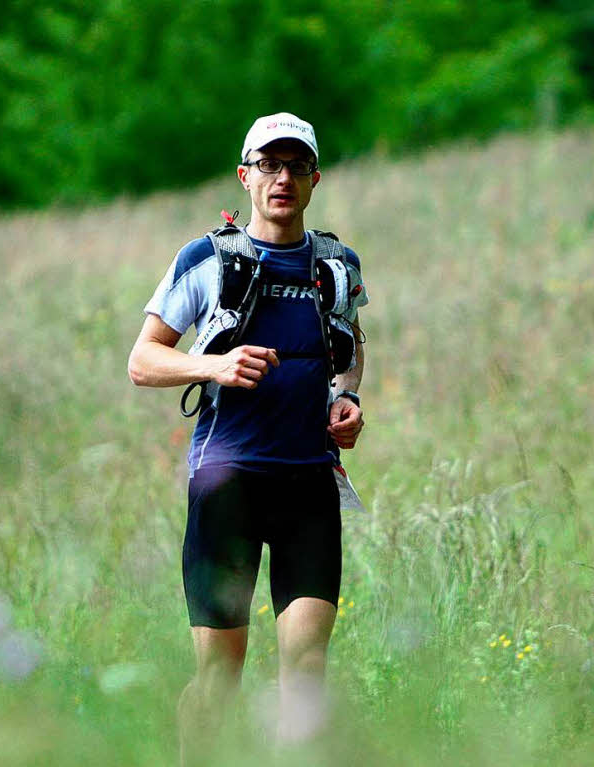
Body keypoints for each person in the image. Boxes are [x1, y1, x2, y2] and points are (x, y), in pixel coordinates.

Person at [127, 112, 368, 763]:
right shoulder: (208, 259)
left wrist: (345, 398)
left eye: (295, 165)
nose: (282, 177)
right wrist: (214, 364)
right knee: (220, 676)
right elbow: (142, 360)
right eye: (269, 164)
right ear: (246, 175)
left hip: (309, 484)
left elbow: (347, 347)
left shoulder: (336, 266)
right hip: (227, 481)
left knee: (307, 665)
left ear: (315, 178)